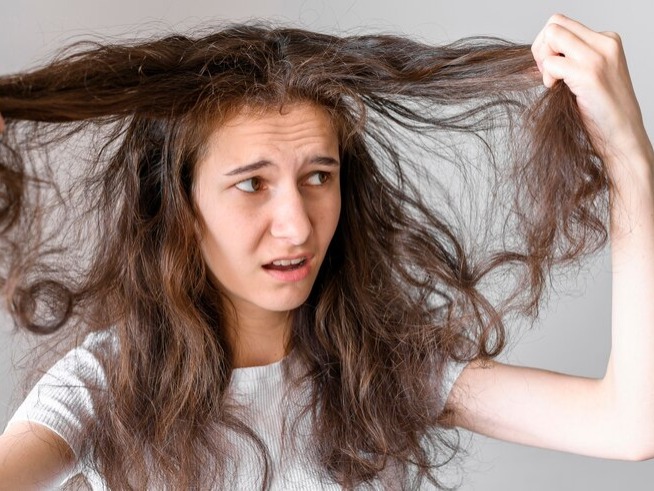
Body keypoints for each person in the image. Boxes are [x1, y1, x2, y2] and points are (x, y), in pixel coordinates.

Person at [0, 13, 652, 490]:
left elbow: (630, 424)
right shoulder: (102, 388)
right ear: (179, 209)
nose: (297, 227)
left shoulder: (383, 367)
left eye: (318, 176)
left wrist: (627, 150)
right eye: (252, 183)